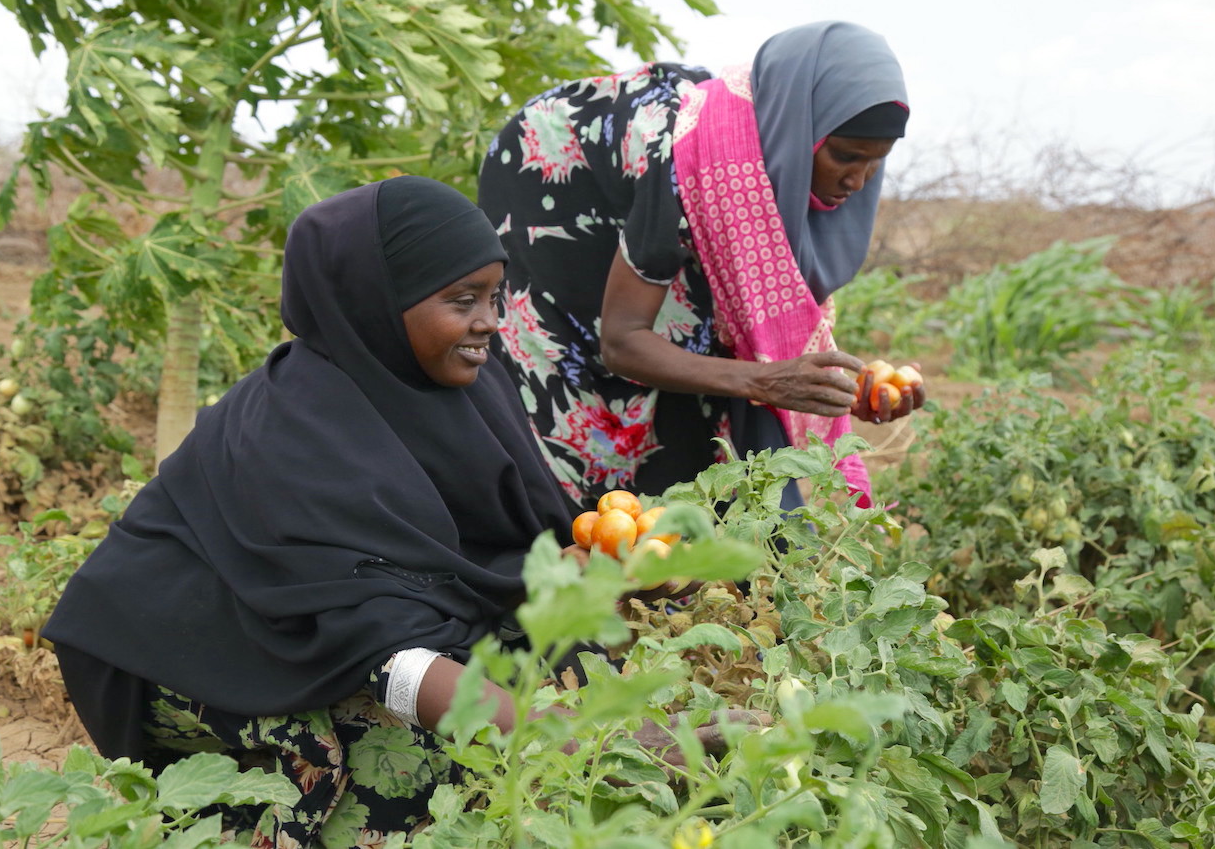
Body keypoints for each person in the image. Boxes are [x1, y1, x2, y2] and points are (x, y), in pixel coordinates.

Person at [42, 177, 732, 846]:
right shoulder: (296, 430)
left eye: (495, 295)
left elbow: (509, 549)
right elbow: (383, 651)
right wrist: (574, 744)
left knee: (563, 654)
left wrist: (631, 567)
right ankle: (252, 813)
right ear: (372, 301)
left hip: (343, 620)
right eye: (462, 299)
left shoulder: (459, 383)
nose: (490, 322)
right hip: (196, 645)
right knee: (419, 761)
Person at [477, 20, 926, 512]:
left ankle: (713, 558)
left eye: (876, 162)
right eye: (846, 156)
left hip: (654, 224)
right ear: (801, 132)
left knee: (715, 386)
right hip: (553, 209)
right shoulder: (686, 160)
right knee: (598, 425)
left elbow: (768, 331)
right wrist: (764, 379)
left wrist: (837, 391)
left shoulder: (778, 161)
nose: (858, 181)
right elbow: (623, 341)